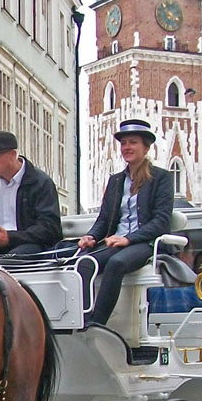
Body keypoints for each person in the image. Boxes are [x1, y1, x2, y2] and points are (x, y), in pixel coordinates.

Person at [77, 119, 174, 327]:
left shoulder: (161, 178)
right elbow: (104, 219)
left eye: (133, 142)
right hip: (116, 241)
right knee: (83, 262)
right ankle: (81, 318)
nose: (127, 147)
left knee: (117, 263)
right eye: (123, 143)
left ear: (146, 148)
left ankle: (97, 323)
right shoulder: (116, 181)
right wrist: (91, 236)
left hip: (145, 243)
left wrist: (128, 239)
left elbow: (161, 222)